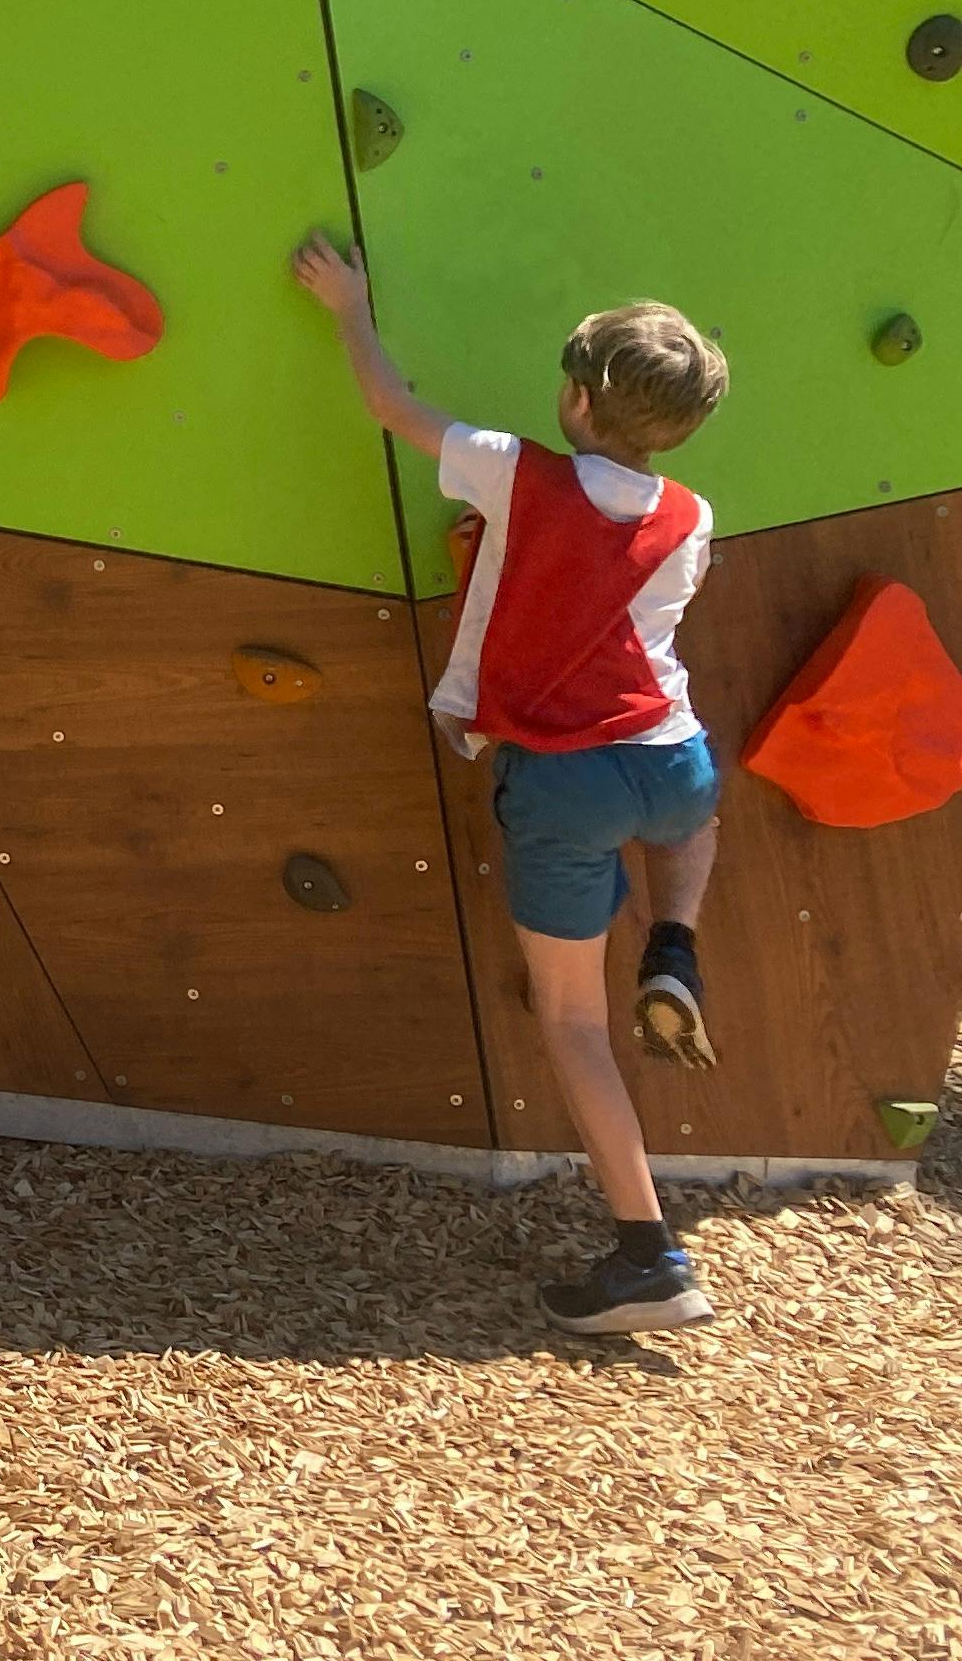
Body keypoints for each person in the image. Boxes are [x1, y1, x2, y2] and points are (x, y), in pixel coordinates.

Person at [294, 230, 732, 1335]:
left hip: (566, 781)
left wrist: (348, 307)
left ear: (576, 400)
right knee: (695, 813)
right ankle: (675, 943)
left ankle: (649, 1256)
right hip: (671, 759)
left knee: (576, 1022)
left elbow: (391, 405)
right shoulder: (690, 517)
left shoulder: (517, 471)